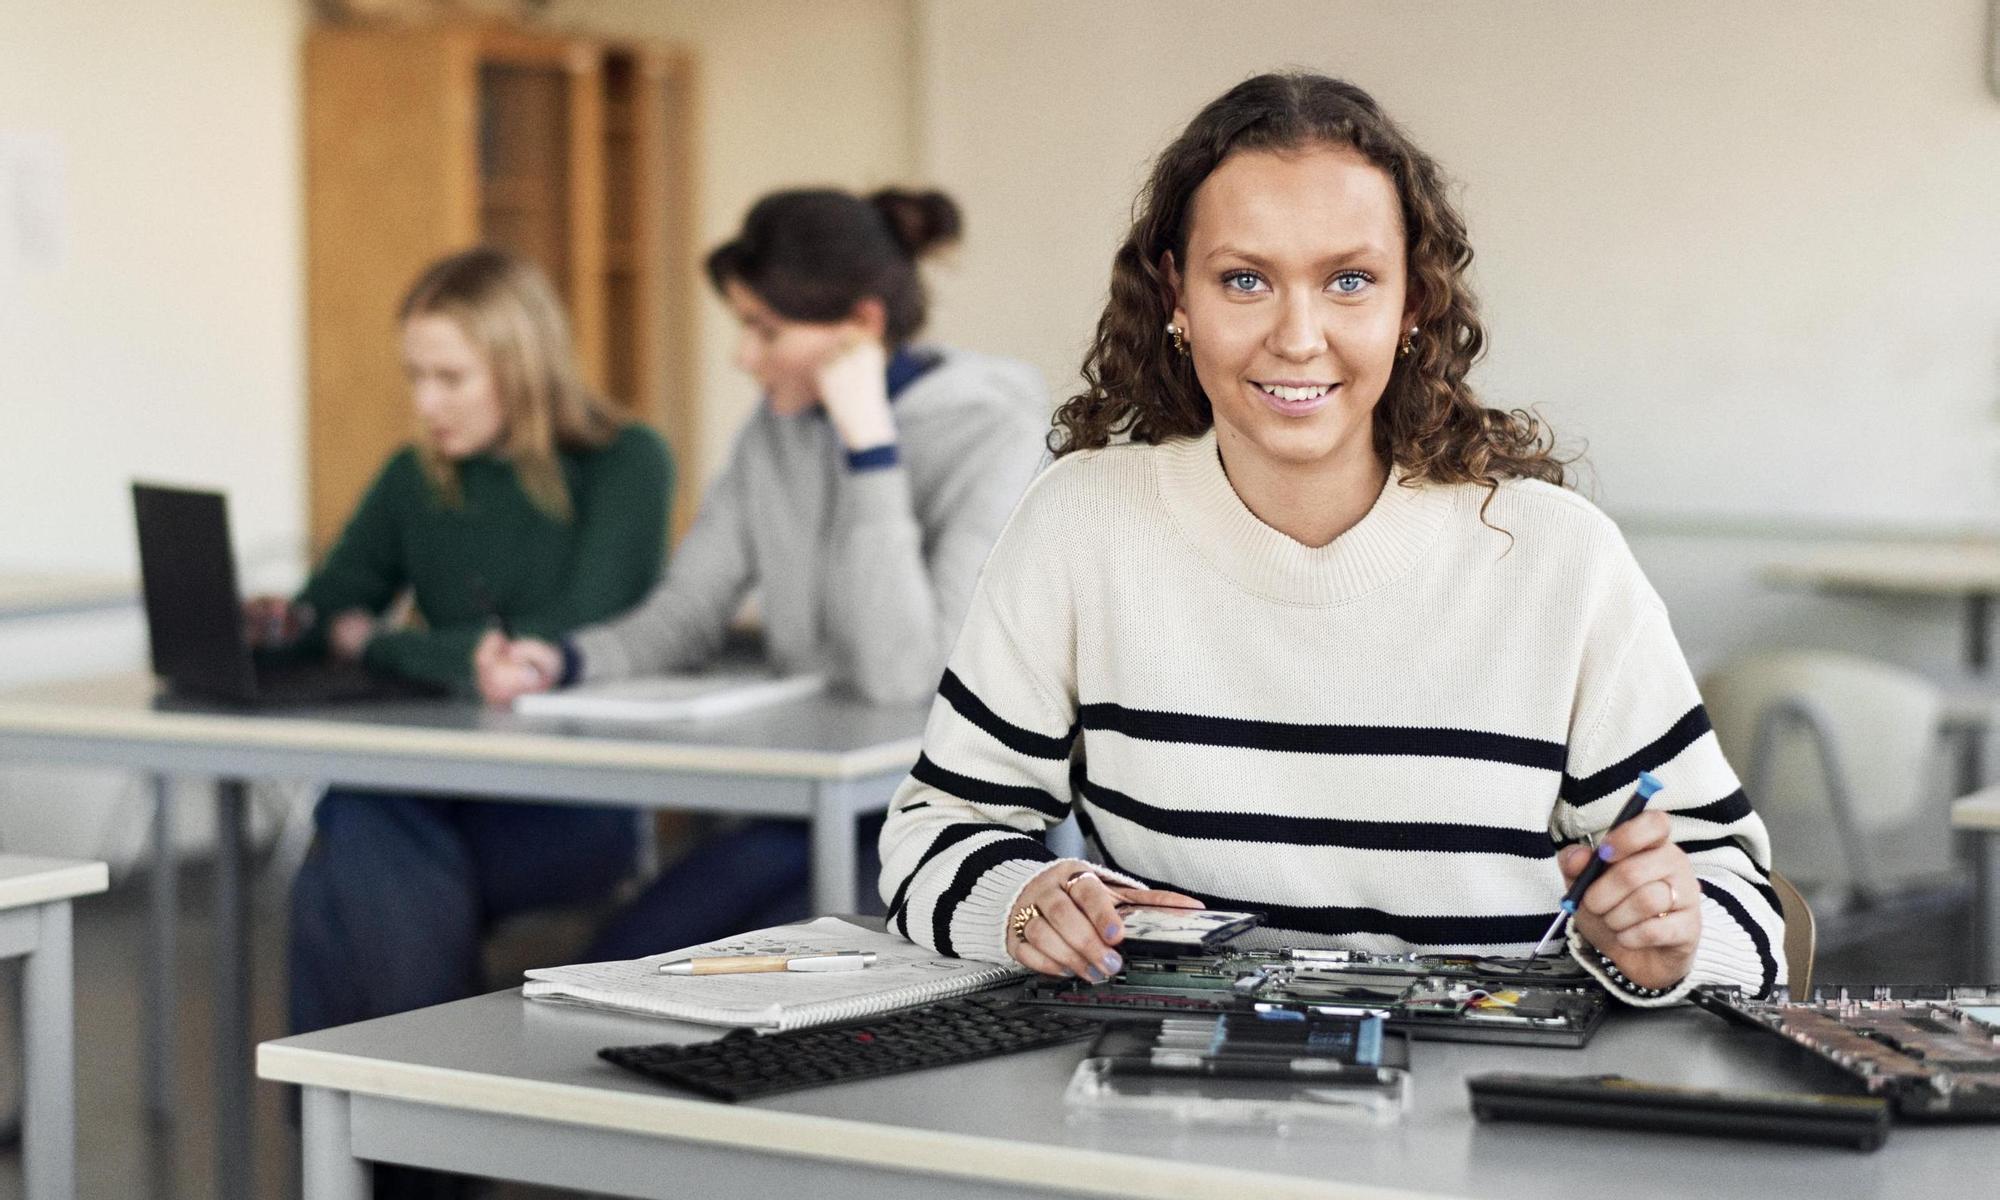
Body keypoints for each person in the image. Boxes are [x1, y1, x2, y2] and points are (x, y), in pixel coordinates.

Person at [877, 73, 1785, 1007]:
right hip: (1175, 1104)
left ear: (1414, 304)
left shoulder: (1557, 558)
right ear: (1175, 296)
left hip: (1479, 1110)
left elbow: (1749, 910)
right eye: (1244, 280)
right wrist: (1023, 898)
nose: (1298, 337)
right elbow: (934, 830)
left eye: (1350, 281)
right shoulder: (1083, 524)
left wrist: (1672, 940)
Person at [478, 187, 1049, 956]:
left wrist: (869, 450)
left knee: (716, 969)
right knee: (623, 959)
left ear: (862, 329)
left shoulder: (994, 435)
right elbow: (687, 610)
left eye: (765, 329)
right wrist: (565, 659)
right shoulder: (773, 435)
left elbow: (900, 674)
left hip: (945, 826)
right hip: (804, 810)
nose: (743, 357)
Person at [283, 246, 673, 1049]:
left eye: (450, 379)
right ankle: (419, 1142)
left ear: (522, 368)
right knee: (364, 825)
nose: (427, 403)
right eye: (414, 377)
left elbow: (564, 638)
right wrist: (435, 653)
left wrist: (384, 643)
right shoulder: (415, 476)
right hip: (434, 793)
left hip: (569, 806)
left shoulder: (625, 464)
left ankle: (353, 1156)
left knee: (345, 856)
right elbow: (327, 616)